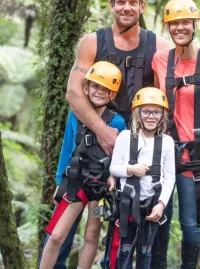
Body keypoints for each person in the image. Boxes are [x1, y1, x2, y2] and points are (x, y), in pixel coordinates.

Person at [47, 0, 200, 267]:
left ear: (143, 7)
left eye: (132, 2)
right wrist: (103, 131)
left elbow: (177, 87)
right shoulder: (93, 42)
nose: (126, 8)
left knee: (124, 218)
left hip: (138, 142)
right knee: (65, 214)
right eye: (120, 2)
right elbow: (73, 92)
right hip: (87, 137)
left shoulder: (158, 46)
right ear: (112, 5)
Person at [152, 0, 200, 268]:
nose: (180, 27)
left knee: (190, 223)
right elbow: (152, 105)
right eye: (174, 23)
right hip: (162, 155)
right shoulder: (160, 60)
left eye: (185, 22)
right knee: (159, 218)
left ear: (195, 25)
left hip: (194, 155)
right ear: (168, 28)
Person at [39, 61, 126, 269]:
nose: (99, 92)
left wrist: (114, 181)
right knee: (57, 234)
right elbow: (67, 148)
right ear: (86, 87)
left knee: (92, 234)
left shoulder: (118, 122)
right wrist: (60, 181)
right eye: (95, 86)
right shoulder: (75, 115)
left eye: (106, 89)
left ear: (112, 94)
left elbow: (119, 157)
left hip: (101, 188)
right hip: (76, 184)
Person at [109, 87, 175, 269]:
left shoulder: (167, 142)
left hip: (151, 205)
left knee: (145, 253)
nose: (151, 116)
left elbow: (169, 178)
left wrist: (161, 205)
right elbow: (114, 167)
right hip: (127, 204)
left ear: (162, 115)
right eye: (146, 111)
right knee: (125, 251)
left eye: (156, 112)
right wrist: (131, 169)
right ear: (138, 114)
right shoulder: (125, 137)